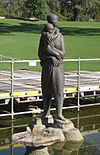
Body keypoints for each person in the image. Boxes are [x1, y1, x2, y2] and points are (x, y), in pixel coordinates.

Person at [38, 13, 66, 121]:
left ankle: (59, 114)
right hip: (47, 66)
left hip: (58, 68)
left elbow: (63, 54)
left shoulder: (60, 36)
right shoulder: (44, 37)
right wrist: (50, 57)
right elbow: (40, 53)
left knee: (59, 90)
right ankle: (46, 112)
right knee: (46, 91)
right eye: (54, 19)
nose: (56, 21)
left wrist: (55, 54)